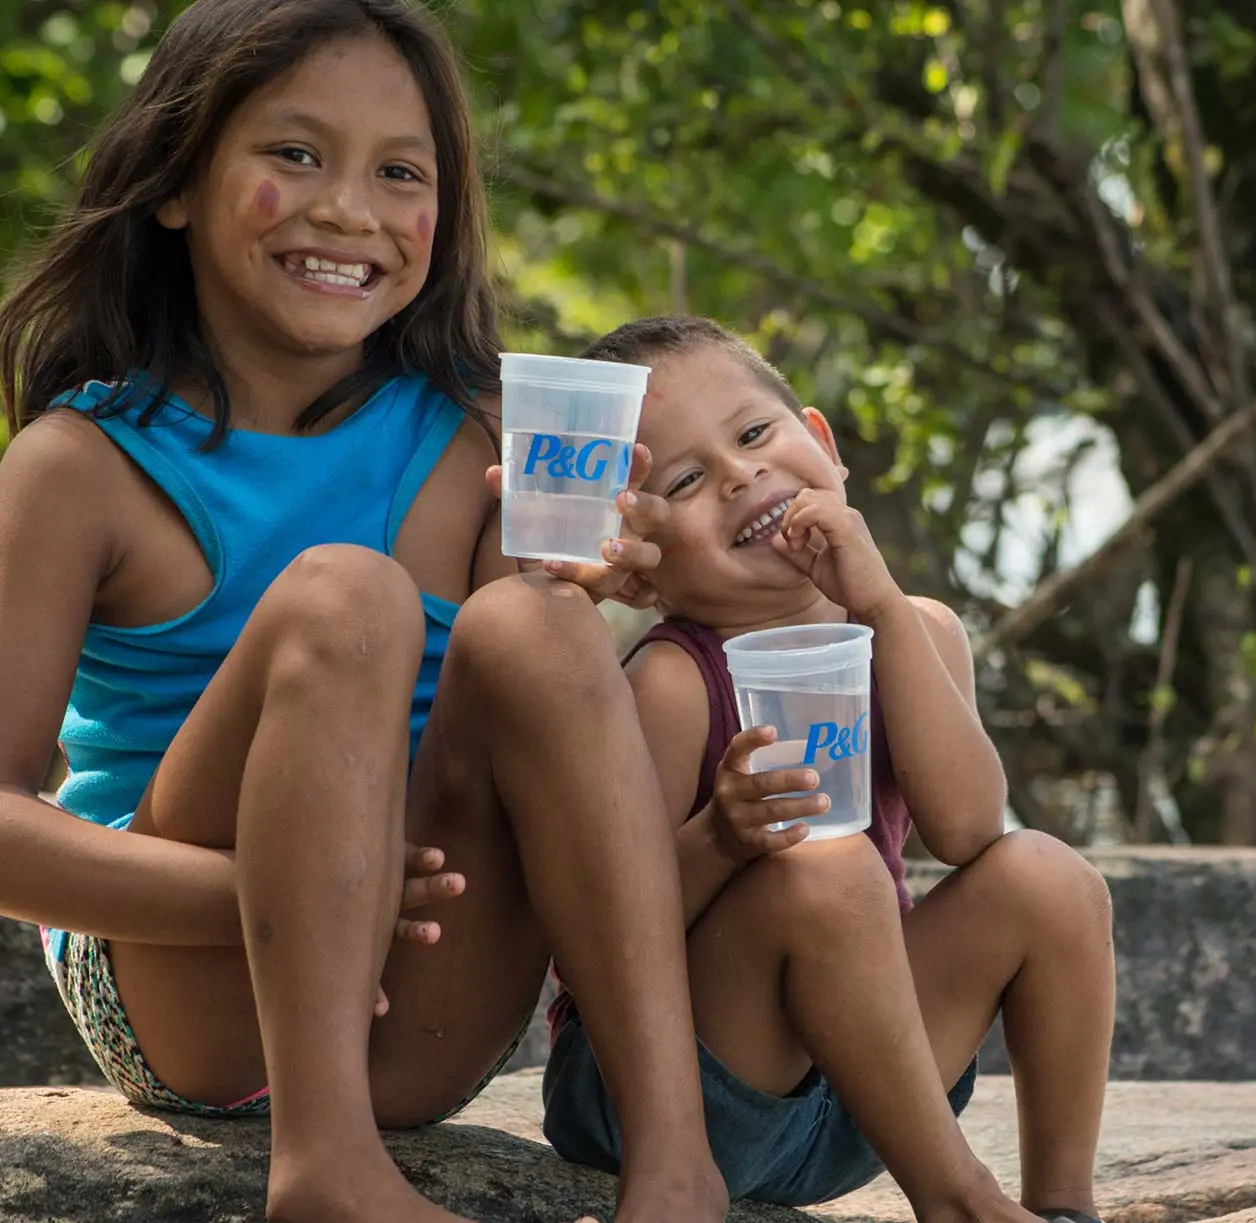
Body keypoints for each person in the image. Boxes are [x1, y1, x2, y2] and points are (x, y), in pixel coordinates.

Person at [0, 4, 726, 1222]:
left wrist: (625, 591)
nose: (350, 209)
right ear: (175, 183)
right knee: (350, 593)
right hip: (191, 994)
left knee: (537, 627)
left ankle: (675, 1163)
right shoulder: (77, 468)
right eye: (294, 155)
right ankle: (325, 1167)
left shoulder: (491, 441)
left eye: (400, 172)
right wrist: (299, 891)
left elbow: (538, 763)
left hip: (435, 998)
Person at [539, 316, 1116, 1223]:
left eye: (755, 433)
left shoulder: (916, 629)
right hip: (682, 1098)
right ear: (642, 571)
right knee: (833, 867)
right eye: (686, 480)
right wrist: (722, 839)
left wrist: (881, 606)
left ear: (824, 445)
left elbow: (967, 830)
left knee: (1052, 878)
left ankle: (1064, 1203)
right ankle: (961, 1201)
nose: (738, 474)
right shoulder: (670, 683)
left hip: (870, 1096)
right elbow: (602, 940)